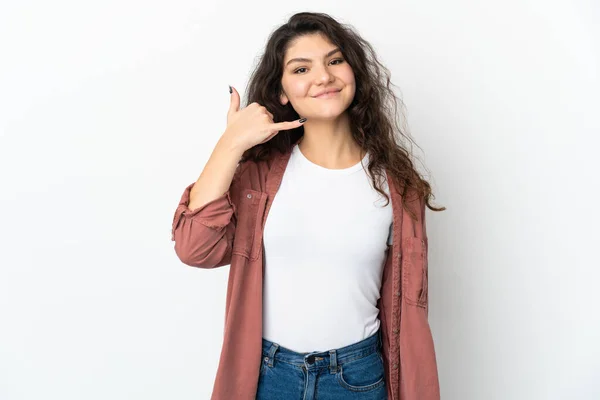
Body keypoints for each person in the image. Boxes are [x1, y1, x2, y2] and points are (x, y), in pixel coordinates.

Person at [171, 11, 445, 400]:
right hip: (268, 376)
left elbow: (410, 312)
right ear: (281, 91)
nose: (323, 76)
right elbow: (194, 248)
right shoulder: (257, 179)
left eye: (335, 61)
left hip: (358, 377)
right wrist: (231, 143)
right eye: (301, 68)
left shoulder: (397, 187)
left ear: (354, 73)